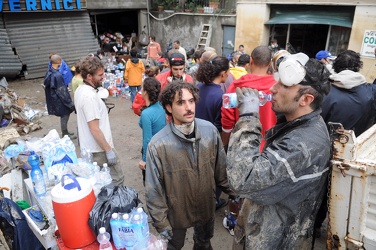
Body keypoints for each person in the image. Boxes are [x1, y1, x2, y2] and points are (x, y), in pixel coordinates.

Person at [226, 53, 331, 249]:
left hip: (276, 242)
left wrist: (249, 117)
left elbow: (243, 179)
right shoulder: (298, 125)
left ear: (306, 99)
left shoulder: (303, 144)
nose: (273, 88)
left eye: (284, 85)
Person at [145, 82, 236, 250]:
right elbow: (153, 191)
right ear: (169, 107)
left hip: (205, 206)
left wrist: (235, 193)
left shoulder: (209, 131)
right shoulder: (158, 145)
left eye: (191, 101)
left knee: (203, 242)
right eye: (181, 102)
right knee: (174, 245)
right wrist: (162, 224)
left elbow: (221, 170)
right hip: (176, 211)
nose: (189, 107)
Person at [317, 50, 376, 237]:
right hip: (356, 155)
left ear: (335, 67)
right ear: (358, 67)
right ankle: (343, 231)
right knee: (350, 196)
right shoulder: (370, 92)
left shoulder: (324, 92)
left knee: (320, 193)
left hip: (324, 154)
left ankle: (316, 225)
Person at [74, 56, 124, 185]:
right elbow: (94, 128)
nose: (103, 77)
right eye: (100, 75)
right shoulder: (89, 97)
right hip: (99, 151)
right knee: (116, 181)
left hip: (92, 149)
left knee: (103, 184)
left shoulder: (81, 90)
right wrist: (108, 150)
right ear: (89, 76)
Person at [221, 46, 276, 151]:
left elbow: (227, 119)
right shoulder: (277, 88)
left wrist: (225, 144)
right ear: (270, 64)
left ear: (251, 60)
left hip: (242, 147)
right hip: (271, 148)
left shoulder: (236, 85)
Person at [196, 56, 230, 210]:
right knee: (214, 174)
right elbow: (221, 124)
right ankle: (212, 202)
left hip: (194, 137)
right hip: (211, 141)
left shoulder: (197, 88)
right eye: (227, 72)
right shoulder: (221, 97)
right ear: (222, 73)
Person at [138, 77, 166, 185]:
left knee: (150, 184)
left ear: (145, 92)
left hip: (152, 152)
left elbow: (147, 139)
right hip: (162, 148)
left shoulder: (147, 114)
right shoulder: (160, 106)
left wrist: (144, 159)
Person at [43, 54, 76, 139]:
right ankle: (65, 134)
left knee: (64, 115)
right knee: (65, 115)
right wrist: (69, 103)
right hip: (59, 99)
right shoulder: (57, 75)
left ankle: (65, 132)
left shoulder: (49, 72)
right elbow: (62, 91)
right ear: (59, 62)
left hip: (53, 98)